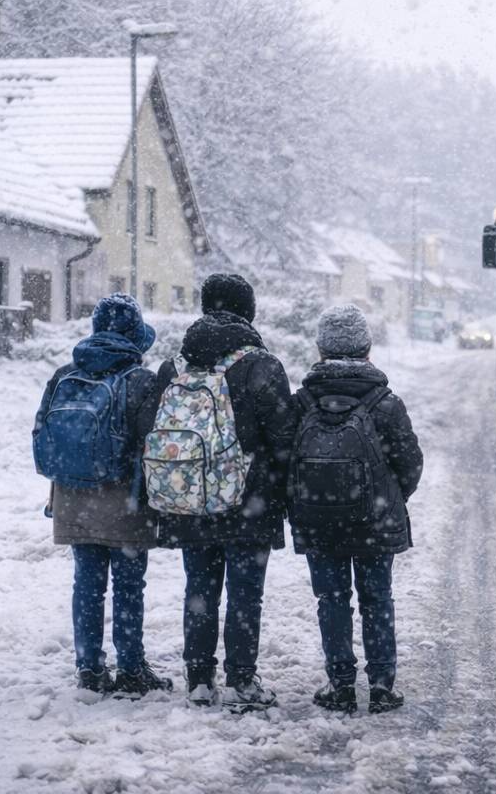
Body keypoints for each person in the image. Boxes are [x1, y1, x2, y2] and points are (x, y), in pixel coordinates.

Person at [150, 273, 294, 711]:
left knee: (200, 588)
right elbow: (284, 437)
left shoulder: (175, 366)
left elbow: (153, 432)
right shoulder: (262, 366)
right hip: (249, 499)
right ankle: (243, 679)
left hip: (191, 498)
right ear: (248, 312)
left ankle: (198, 679)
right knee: (246, 593)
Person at [33, 293, 171, 698]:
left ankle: (89, 669)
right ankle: (130, 669)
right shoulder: (142, 381)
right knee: (129, 586)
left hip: (74, 495)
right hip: (125, 498)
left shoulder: (64, 374)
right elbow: (153, 441)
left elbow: (44, 432)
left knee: (87, 584)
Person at [289, 304, 423, 714]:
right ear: (367, 347)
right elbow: (410, 462)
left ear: (321, 348)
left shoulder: (301, 402)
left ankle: (340, 684)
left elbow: (283, 459)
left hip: (318, 519)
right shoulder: (385, 402)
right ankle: (382, 685)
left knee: (331, 600)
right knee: (377, 599)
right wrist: (387, 498)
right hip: (375, 519)